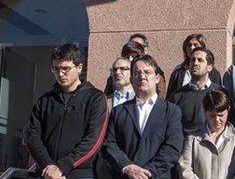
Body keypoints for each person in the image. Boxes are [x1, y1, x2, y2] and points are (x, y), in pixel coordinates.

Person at [25, 44, 108, 179]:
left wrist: (62, 167)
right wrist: (48, 166)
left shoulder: (95, 99)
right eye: (56, 69)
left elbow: (94, 139)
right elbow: (31, 136)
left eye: (66, 68)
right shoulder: (44, 101)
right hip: (46, 173)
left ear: (79, 68)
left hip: (80, 173)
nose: (60, 74)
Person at [102, 55, 183, 179]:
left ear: (157, 78)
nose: (141, 75)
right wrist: (127, 167)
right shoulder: (119, 111)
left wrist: (147, 173)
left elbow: (172, 148)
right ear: (132, 79)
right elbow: (109, 144)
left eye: (147, 72)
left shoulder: (171, 111)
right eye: (137, 72)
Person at [179, 90, 235, 179]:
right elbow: (185, 169)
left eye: (221, 115)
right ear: (205, 112)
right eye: (212, 116)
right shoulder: (192, 139)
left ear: (228, 110)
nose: (217, 120)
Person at [169, 48, 235, 136]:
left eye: (200, 60)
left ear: (210, 67)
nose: (195, 63)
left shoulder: (221, 93)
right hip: (185, 147)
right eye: (192, 60)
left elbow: (231, 124)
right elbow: (171, 127)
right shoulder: (177, 96)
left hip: (213, 145)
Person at [166, 33, 222, 99]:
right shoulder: (178, 72)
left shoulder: (214, 74)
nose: (192, 48)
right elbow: (170, 97)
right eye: (189, 45)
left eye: (195, 45)